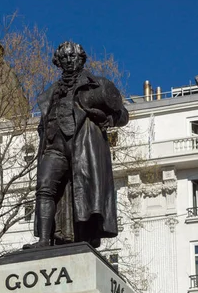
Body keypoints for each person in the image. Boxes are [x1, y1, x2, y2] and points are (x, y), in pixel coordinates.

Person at [31, 41, 129, 249]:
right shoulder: (52, 92)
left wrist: (109, 120)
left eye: (72, 57)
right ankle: (43, 240)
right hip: (54, 145)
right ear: (58, 62)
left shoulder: (97, 84)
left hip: (82, 145)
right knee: (44, 187)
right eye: (64, 57)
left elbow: (123, 114)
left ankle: (85, 236)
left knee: (82, 191)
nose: (69, 61)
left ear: (81, 58)